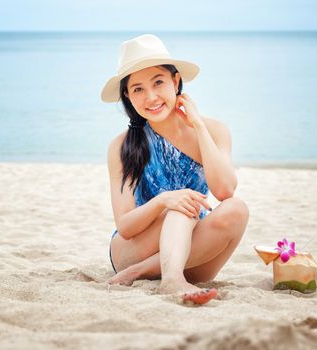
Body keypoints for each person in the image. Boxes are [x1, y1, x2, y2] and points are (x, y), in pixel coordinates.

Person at [101, 34, 249, 305]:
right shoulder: (122, 146)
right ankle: (170, 279)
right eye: (138, 89)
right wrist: (164, 201)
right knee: (183, 204)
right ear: (127, 96)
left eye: (158, 82)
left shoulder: (214, 129)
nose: (151, 97)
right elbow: (125, 227)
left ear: (176, 81)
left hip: (192, 252)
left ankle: (155, 272)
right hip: (132, 250)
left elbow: (225, 189)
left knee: (237, 208)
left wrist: (198, 127)